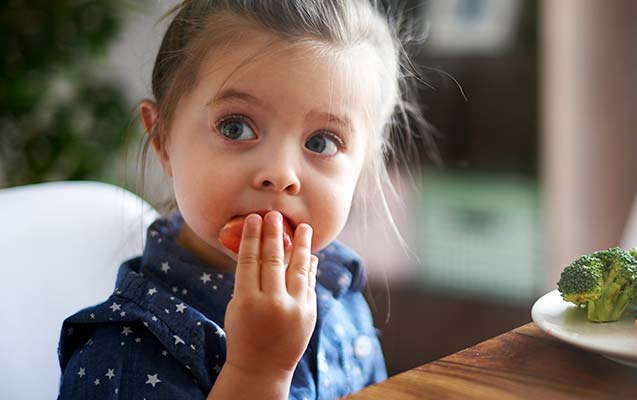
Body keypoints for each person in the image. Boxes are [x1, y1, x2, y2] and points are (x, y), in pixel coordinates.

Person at [56, 1, 433, 398]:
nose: (281, 174)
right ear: (162, 139)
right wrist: (257, 371)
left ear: (364, 165)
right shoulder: (122, 356)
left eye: (321, 141)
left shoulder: (339, 289)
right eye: (236, 127)